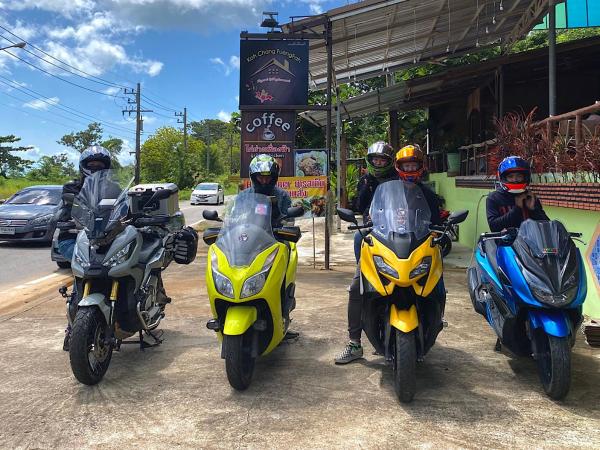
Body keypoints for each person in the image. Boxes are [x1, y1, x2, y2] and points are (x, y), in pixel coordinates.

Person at [335, 144, 442, 364]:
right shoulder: (377, 184)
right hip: (382, 241)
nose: (410, 170)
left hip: (414, 244)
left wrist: (442, 230)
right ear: (399, 167)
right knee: (357, 287)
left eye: (414, 165)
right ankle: (354, 343)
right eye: (406, 166)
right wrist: (368, 188)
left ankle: (433, 324)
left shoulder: (426, 193)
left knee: (436, 282)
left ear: (421, 167)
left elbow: (436, 220)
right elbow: (364, 206)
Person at [353, 141, 397, 262]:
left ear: (389, 162)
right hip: (373, 224)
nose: (378, 163)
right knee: (358, 237)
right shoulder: (365, 180)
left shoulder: (397, 178)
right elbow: (360, 206)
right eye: (376, 159)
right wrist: (367, 184)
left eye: (382, 160)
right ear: (370, 160)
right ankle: (360, 269)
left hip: (397, 224)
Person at [486, 156, 548, 232]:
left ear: (525, 177)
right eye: (510, 177)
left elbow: (546, 224)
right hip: (505, 241)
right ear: (503, 178)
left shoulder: (529, 196)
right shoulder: (494, 198)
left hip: (530, 241)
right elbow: (494, 226)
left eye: (519, 176)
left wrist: (534, 210)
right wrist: (517, 209)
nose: (515, 180)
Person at [246, 154, 292, 227]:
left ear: (274, 177)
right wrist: (249, 215)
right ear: (254, 177)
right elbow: (233, 220)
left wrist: (278, 216)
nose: (264, 181)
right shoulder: (244, 196)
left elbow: (289, 223)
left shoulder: (283, 195)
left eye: (268, 178)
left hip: (275, 237)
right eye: (260, 178)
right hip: (249, 235)